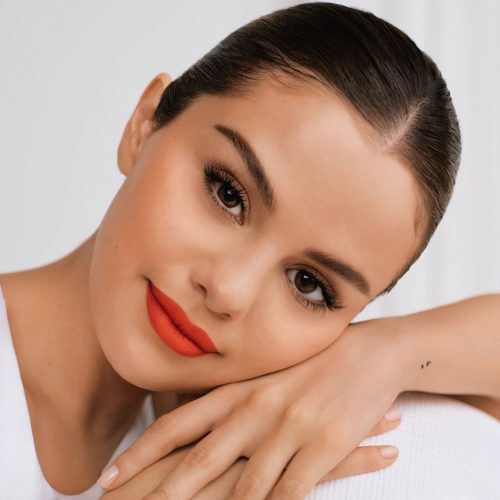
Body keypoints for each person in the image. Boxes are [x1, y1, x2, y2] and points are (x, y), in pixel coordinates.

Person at [0, 2, 499, 499]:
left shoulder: (236, 426)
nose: (228, 291)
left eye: (309, 284)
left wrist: (389, 353)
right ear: (144, 123)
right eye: (228, 194)